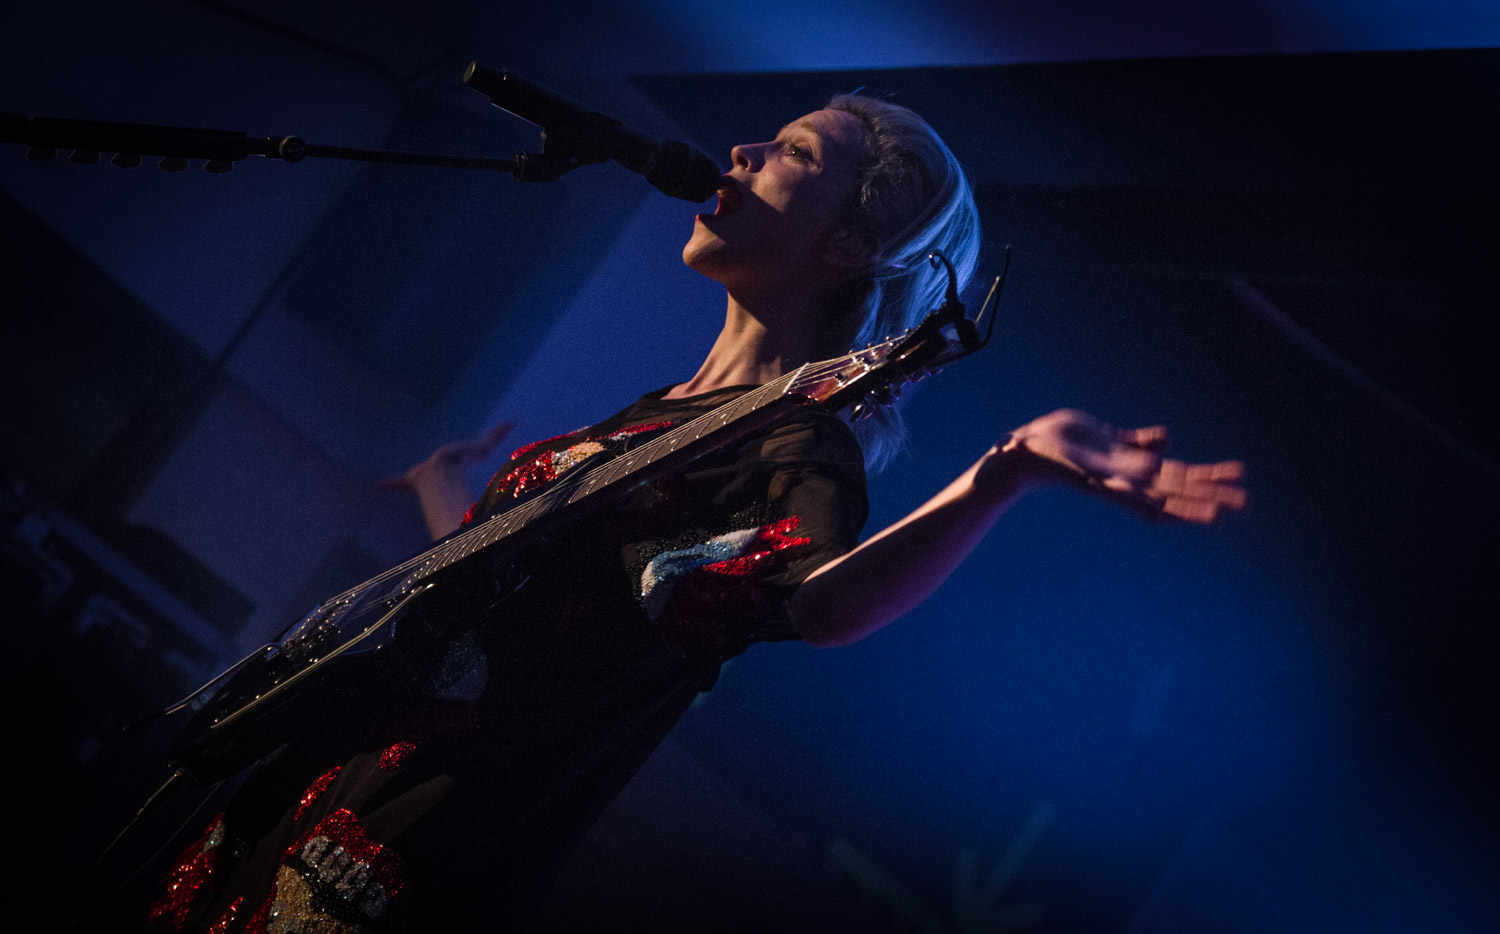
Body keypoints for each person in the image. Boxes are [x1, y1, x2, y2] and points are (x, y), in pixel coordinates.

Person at [146, 94, 1244, 933]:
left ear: (853, 245)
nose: (742, 155)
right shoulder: (669, 414)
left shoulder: (791, 442)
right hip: (317, 781)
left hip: (401, 846)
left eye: (794, 153)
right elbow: (515, 619)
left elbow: (816, 604)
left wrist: (1001, 474)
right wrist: (449, 490)